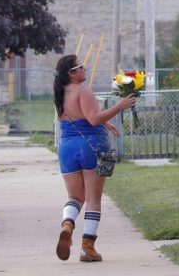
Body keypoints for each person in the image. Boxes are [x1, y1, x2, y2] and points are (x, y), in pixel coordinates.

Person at [53, 54, 135, 262]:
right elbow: (92, 118)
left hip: (67, 147)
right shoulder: (84, 90)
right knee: (93, 198)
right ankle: (88, 247)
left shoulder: (60, 92)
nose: (85, 70)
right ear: (72, 73)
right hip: (94, 146)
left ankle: (68, 223)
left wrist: (105, 123)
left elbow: (78, 118)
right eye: (81, 67)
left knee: (75, 197)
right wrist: (120, 106)